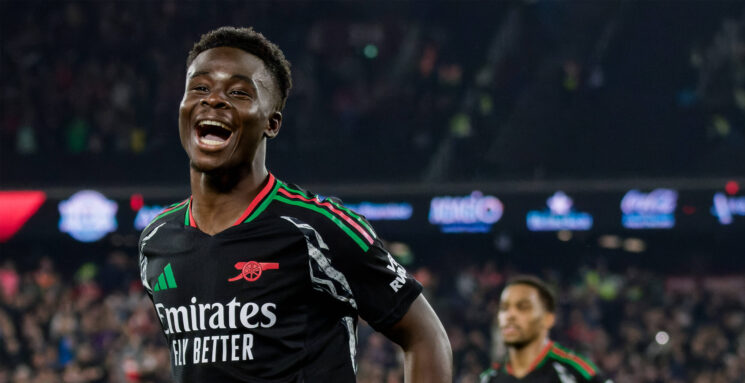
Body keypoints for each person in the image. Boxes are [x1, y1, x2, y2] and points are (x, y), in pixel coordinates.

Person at [138, 26, 451, 382]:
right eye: (200, 87)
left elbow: (426, 336)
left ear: (271, 123)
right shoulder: (157, 240)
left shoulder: (317, 227)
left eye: (239, 92)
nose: (214, 99)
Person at [480, 276, 611, 383]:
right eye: (504, 308)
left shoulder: (574, 371)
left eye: (523, 307)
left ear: (547, 319)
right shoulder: (490, 378)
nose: (510, 315)